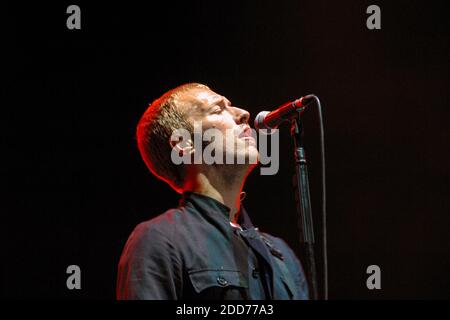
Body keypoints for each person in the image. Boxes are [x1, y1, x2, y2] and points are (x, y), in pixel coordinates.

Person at [116, 83, 309, 300]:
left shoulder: (282, 256)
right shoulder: (160, 240)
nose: (244, 114)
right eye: (218, 109)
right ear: (184, 144)